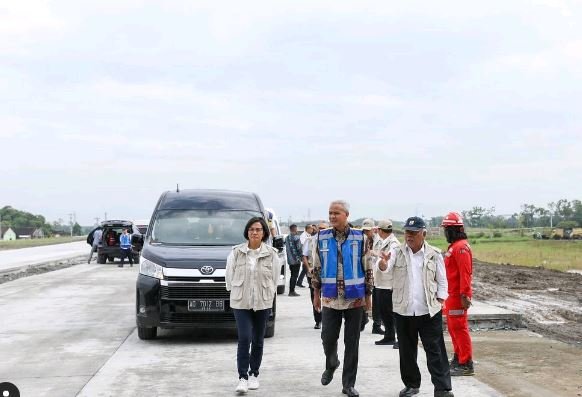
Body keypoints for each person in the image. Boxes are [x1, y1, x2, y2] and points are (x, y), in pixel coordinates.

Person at [378, 216, 453, 397]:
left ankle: (442, 388)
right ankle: (412, 384)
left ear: (423, 234)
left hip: (428, 311)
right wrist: (383, 263)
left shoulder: (434, 254)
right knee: (406, 351)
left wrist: (441, 300)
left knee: (435, 351)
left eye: (413, 233)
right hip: (403, 311)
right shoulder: (397, 252)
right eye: (407, 232)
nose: (409, 236)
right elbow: (385, 268)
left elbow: (442, 280)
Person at [312, 200, 373, 397]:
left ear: (346, 214)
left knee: (352, 342)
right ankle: (331, 362)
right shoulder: (321, 237)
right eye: (330, 213)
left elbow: (368, 268)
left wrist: (368, 297)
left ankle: (348, 384)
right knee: (328, 338)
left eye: (336, 213)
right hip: (330, 298)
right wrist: (316, 294)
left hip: (354, 298)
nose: (332, 217)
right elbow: (317, 267)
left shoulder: (360, 238)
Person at [225, 217, 279, 394]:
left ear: (264, 233)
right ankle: (242, 377)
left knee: (258, 340)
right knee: (244, 338)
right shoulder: (236, 252)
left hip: (263, 302)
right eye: (251, 229)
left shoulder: (272, 254)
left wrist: (268, 294)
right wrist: (238, 292)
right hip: (241, 302)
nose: (254, 232)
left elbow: (275, 279)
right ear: (247, 232)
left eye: (258, 229)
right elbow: (229, 279)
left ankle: (254, 373)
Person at [441, 212, 475, 376]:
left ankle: (466, 363)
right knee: (454, 328)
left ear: (455, 230)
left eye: (447, 229)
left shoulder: (461, 248)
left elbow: (465, 273)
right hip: (451, 295)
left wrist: (465, 295)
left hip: (458, 296)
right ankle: (458, 357)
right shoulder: (455, 246)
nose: (446, 233)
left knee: (460, 329)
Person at [373, 219, 400, 348]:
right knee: (384, 312)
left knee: (392, 313)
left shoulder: (393, 244)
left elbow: (388, 263)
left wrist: (379, 259)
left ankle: (398, 337)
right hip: (381, 283)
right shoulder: (384, 242)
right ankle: (389, 336)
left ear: (380, 230)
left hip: (388, 284)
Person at [303, 221, 329, 329]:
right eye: (320, 228)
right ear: (317, 229)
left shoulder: (332, 241)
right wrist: (308, 268)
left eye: (324, 228)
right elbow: (304, 256)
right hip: (313, 274)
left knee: (328, 297)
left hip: (328, 274)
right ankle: (318, 320)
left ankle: (327, 319)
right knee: (315, 295)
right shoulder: (310, 240)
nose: (322, 230)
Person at [360, 218, 376, 332]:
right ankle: (363, 319)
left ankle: (367, 318)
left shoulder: (377, 241)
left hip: (375, 273)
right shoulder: (360, 240)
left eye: (368, 230)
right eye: (364, 230)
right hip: (364, 274)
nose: (365, 232)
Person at [285, 224, 303, 297]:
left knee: (292, 275)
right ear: (295, 229)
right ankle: (292, 291)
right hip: (296, 260)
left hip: (290, 260)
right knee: (295, 276)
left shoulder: (287, 237)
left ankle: (291, 290)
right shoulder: (296, 237)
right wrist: (301, 257)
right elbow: (299, 248)